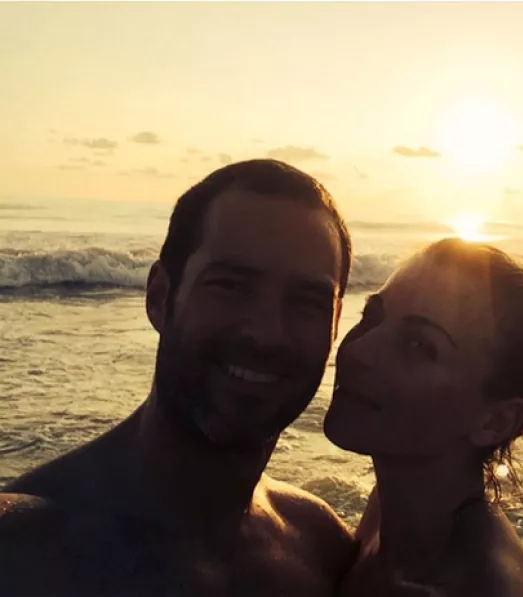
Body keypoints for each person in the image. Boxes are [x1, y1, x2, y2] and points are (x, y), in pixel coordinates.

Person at [0, 160, 358, 596]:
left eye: (307, 301)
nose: (266, 333)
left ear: (335, 324)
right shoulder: (23, 551)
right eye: (230, 285)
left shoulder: (321, 547)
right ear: (159, 297)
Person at [324, 237, 523, 597]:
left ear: (494, 421)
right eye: (372, 318)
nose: (358, 350)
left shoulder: (478, 587)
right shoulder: (389, 510)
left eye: (418, 345)